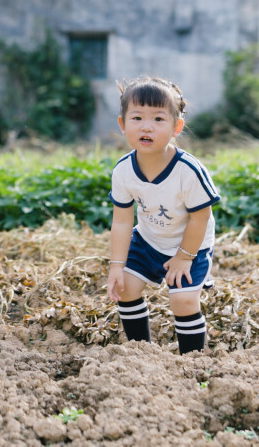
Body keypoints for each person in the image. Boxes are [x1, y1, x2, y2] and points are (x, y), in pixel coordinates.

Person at [106, 76, 219, 354]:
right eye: (136, 118)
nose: (146, 126)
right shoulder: (123, 171)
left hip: (190, 245)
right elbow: (122, 221)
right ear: (122, 125)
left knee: (183, 302)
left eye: (158, 119)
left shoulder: (188, 170)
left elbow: (200, 218)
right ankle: (141, 352)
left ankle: (193, 362)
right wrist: (116, 265)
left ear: (176, 127)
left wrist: (183, 257)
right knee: (126, 289)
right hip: (148, 241)